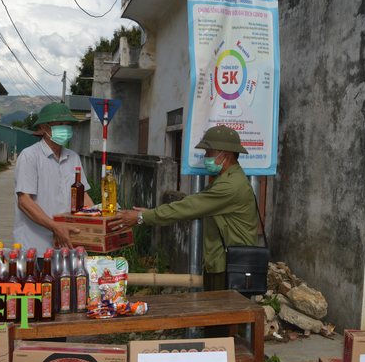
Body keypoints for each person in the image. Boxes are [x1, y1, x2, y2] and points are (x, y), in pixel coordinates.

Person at [108, 125, 258, 294]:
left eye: (209, 153)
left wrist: (142, 217)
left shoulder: (230, 186)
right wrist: (149, 213)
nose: (205, 157)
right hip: (222, 262)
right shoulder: (227, 179)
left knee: (225, 317)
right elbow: (193, 203)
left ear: (226, 154)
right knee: (218, 315)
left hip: (230, 265)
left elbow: (189, 207)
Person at [14, 103, 94, 254]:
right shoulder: (30, 156)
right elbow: (24, 201)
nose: (66, 129)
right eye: (60, 124)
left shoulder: (73, 157)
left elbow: (83, 195)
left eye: (68, 125)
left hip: (70, 244)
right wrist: (56, 227)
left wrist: (100, 219)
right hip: (37, 247)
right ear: (44, 128)